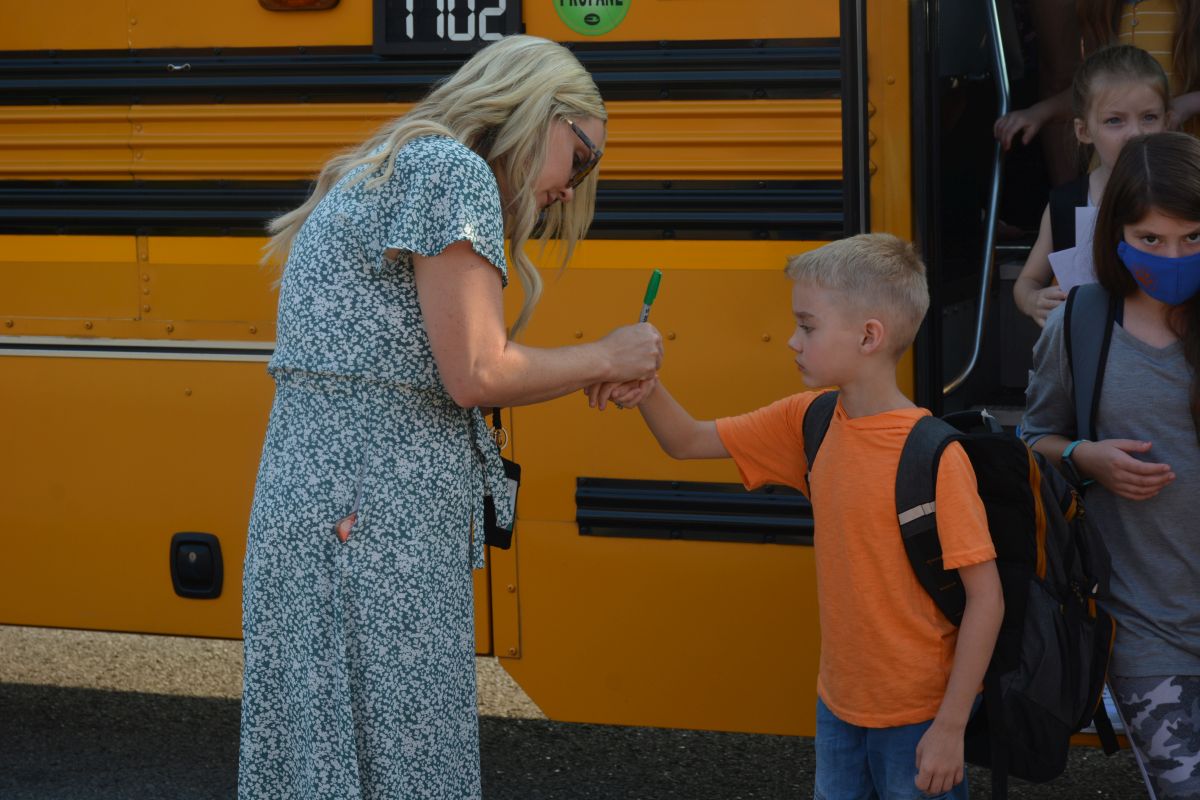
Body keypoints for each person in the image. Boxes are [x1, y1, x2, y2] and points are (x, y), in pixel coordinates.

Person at [239, 35, 663, 800]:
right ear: (538, 112)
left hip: (332, 521)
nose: (572, 187)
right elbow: (479, 373)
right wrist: (607, 355)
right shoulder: (451, 172)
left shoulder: (398, 166)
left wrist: (588, 368)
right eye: (581, 157)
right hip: (372, 534)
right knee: (404, 769)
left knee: (324, 764)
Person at [600, 234, 1004, 799]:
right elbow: (687, 440)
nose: (792, 340)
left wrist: (951, 727)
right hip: (838, 707)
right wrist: (646, 386)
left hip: (921, 718)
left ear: (869, 336)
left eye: (807, 326)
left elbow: (987, 598)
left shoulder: (935, 455)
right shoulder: (809, 419)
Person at [1021, 131, 1200, 799]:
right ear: (1114, 233)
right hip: (1144, 628)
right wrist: (1082, 455)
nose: (1173, 257)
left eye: (1193, 237)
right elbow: (1033, 438)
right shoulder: (1080, 324)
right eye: (1150, 238)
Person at [1013, 45, 1170, 326]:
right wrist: (1032, 300)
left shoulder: (1184, 196)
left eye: (1149, 117)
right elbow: (1028, 280)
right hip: (1088, 350)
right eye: (1114, 120)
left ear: (1167, 122)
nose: (1135, 133)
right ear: (1084, 131)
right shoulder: (1066, 203)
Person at [996, 0, 1200, 152]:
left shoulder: (1190, 11)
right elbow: (1095, 92)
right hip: (1113, 170)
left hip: (1180, 166)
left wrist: (1187, 104)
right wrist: (1040, 112)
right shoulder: (1104, 9)